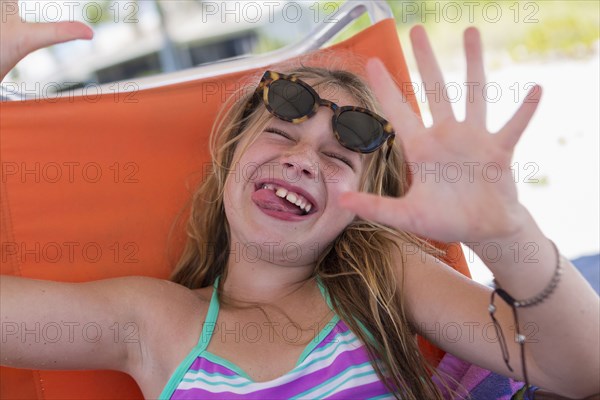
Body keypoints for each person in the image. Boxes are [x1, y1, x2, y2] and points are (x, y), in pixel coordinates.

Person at [1, 2, 599, 399]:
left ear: (363, 205)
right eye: (282, 133)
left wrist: (505, 233)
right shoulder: (155, 322)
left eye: (340, 159)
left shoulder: (382, 276)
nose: (305, 158)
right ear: (229, 156)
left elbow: (580, 369)